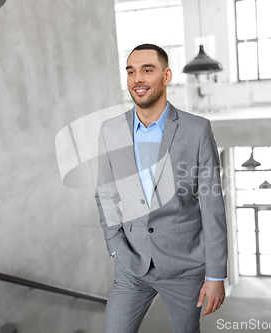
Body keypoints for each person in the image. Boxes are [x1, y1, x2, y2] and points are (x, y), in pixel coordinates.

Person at [95, 43, 228, 333]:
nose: (137, 79)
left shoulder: (197, 129)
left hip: (185, 267)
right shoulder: (110, 130)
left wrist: (216, 275)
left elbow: (212, 205)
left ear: (166, 76)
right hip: (132, 263)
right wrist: (115, 247)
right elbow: (105, 193)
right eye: (131, 71)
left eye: (147, 70)